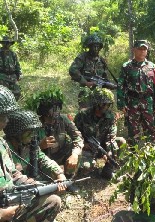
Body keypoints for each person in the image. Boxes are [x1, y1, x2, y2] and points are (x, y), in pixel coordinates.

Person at [0, 85, 62, 221]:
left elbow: (14, 175)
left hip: (10, 199)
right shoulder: (7, 144)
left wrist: (40, 186)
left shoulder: (2, 145)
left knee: (53, 201)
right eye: (3, 116)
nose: (6, 121)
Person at [25, 87, 84, 192]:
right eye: (53, 108)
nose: (57, 111)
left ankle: (68, 180)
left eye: (58, 107)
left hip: (60, 154)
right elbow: (25, 149)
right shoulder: (35, 125)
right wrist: (40, 146)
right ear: (44, 110)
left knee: (74, 149)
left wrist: (74, 154)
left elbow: (78, 137)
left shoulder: (63, 119)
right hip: (42, 159)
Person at [117, 40, 155, 145]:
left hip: (148, 103)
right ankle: (134, 155)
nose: (142, 52)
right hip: (132, 102)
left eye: (144, 49)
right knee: (133, 130)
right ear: (134, 50)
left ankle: (151, 154)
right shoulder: (126, 67)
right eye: (140, 49)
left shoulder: (152, 66)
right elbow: (120, 86)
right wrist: (121, 103)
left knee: (151, 129)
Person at [74, 88, 125, 180]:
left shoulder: (110, 117)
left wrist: (109, 152)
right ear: (96, 104)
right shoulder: (82, 115)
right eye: (104, 104)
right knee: (86, 167)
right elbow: (73, 133)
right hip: (87, 148)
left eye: (109, 104)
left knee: (121, 141)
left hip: (102, 146)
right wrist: (83, 144)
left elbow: (111, 137)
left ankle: (108, 171)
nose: (106, 107)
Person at [69, 33, 110, 108]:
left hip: (100, 94)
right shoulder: (83, 57)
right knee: (85, 115)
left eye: (98, 46)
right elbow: (73, 70)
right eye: (94, 46)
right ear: (89, 46)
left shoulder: (102, 60)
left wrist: (107, 88)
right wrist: (85, 82)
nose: (96, 48)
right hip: (86, 93)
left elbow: (105, 77)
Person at [0, 35, 22, 101]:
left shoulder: (13, 54)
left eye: (9, 43)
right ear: (3, 43)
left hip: (13, 76)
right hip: (2, 76)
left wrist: (19, 74)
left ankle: (13, 106)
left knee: (17, 92)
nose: (8, 44)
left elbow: (17, 65)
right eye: (6, 42)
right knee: (4, 94)